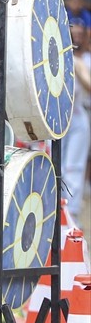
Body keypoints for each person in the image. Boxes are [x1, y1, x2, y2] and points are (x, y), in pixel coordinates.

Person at [63, 19, 90, 219]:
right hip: (57, 116)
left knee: (74, 166)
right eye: (74, 34)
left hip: (78, 113)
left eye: (81, 34)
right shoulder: (57, 57)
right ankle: (56, 209)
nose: (77, 38)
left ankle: (71, 213)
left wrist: (78, 68)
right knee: (56, 164)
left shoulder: (83, 61)